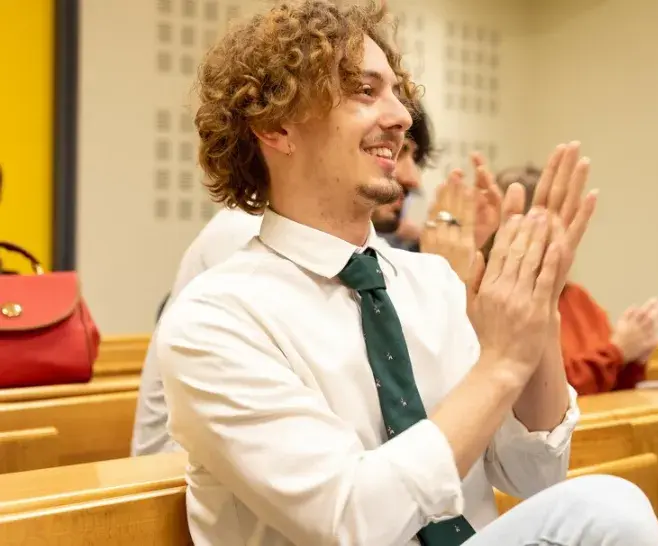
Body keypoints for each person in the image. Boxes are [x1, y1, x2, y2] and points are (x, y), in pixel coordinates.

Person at [152, 2, 658, 546]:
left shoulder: (433, 283)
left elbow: (534, 474)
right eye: (365, 91)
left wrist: (537, 313)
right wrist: (500, 363)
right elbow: (352, 521)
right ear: (275, 124)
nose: (401, 117)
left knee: (609, 507)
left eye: (398, 94)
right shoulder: (216, 319)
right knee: (608, 509)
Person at [133, 98, 441, 456]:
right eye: (396, 153)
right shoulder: (249, 237)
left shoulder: (357, 250)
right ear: (280, 131)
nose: (411, 178)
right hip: (177, 471)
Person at [489, 164, 658, 395]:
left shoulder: (578, 298)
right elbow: (550, 393)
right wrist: (618, 351)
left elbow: (610, 383)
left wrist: (633, 358)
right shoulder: (498, 303)